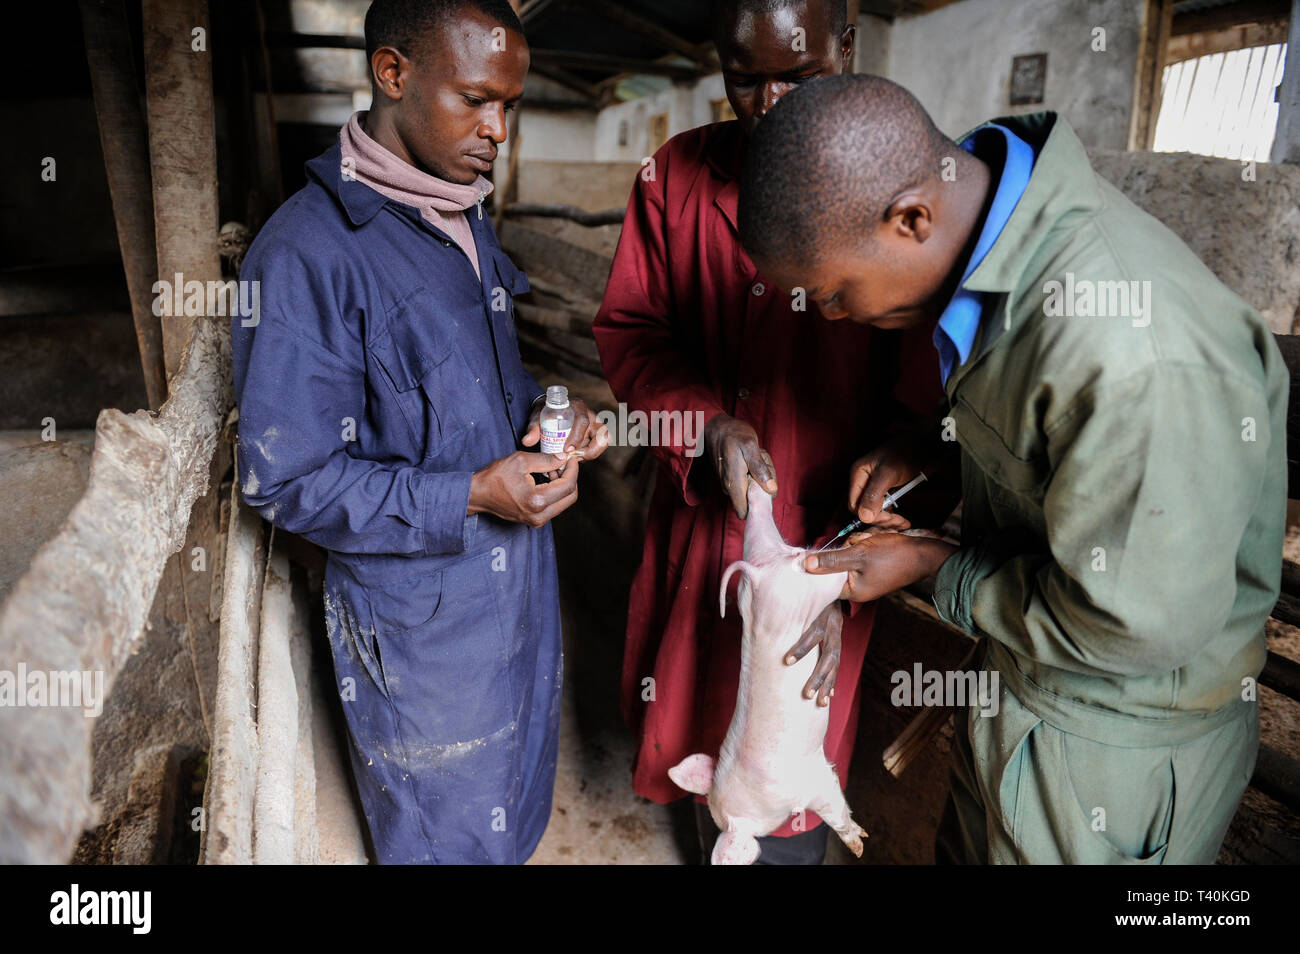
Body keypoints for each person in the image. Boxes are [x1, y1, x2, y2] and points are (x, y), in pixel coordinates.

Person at [737, 73, 1287, 864]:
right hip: (1027, 695)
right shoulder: (999, 257)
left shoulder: (1135, 355)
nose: (834, 317)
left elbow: (1133, 626)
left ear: (910, 219)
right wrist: (942, 446)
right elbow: (1053, 434)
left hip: (1110, 750)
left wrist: (934, 565)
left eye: (830, 294)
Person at [231, 0, 606, 864]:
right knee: (444, 836)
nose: (497, 130)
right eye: (477, 99)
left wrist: (553, 414)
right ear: (392, 74)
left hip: (514, 594)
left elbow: (482, 389)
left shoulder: (462, 213)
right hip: (420, 628)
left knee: (510, 804)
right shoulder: (305, 255)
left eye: (509, 104)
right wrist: (472, 492)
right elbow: (284, 480)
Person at [593, 1, 941, 864]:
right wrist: (702, 425)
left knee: (788, 761)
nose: (770, 102)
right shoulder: (676, 177)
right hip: (704, 517)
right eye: (743, 79)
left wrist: (863, 542)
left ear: (847, 47)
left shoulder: (888, 187)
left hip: (827, 538)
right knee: (695, 743)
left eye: (798, 75)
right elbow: (633, 331)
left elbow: (926, 412)